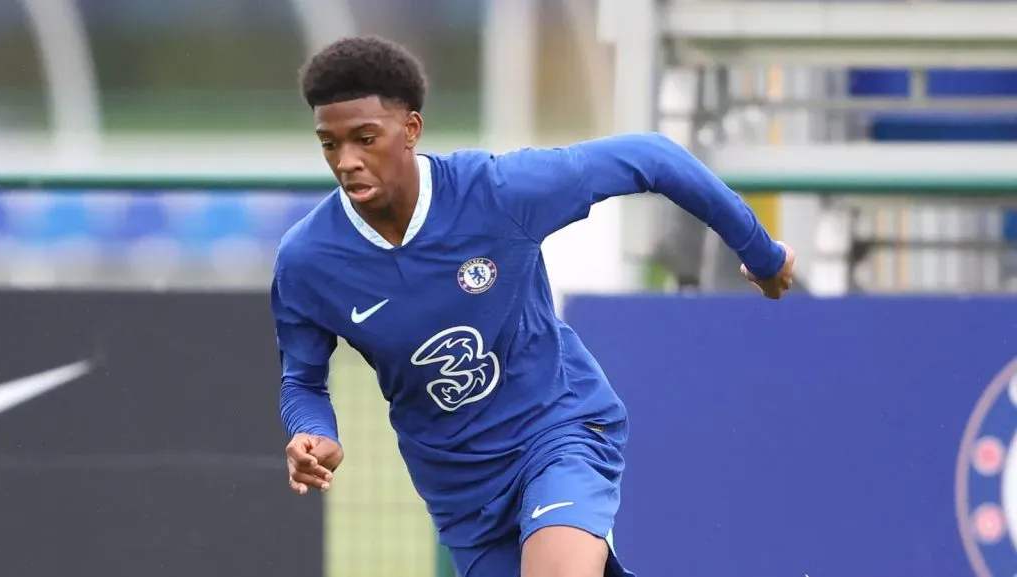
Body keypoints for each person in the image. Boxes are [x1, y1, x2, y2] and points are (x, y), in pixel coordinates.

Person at [271, 35, 795, 577]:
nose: (347, 161)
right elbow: (303, 381)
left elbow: (651, 157)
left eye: (365, 138)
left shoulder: (499, 192)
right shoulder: (308, 259)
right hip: (461, 489)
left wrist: (760, 252)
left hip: (558, 429)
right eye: (330, 144)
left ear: (410, 130)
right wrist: (315, 433)